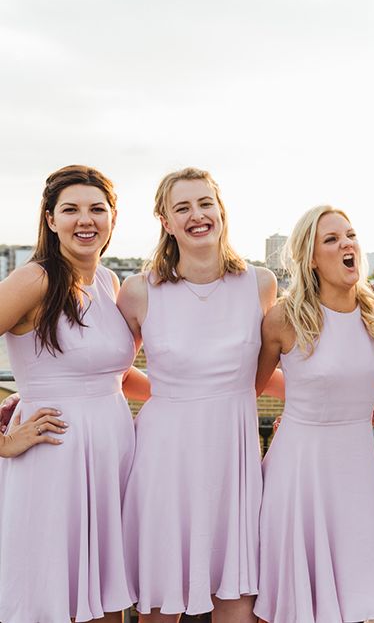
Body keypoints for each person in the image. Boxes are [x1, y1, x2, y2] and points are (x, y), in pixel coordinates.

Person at [118, 168, 277, 623]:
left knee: (237, 601)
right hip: (165, 457)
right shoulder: (138, 292)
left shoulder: (260, 285)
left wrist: (344, 403)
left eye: (205, 203)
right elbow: (110, 370)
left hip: (233, 454)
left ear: (220, 210)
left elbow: (274, 370)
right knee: (159, 601)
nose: (197, 215)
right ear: (165, 221)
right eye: (182, 208)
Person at [0, 165, 149, 623]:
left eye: (96, 209)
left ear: (112, 218)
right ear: (50, 220)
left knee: (104, 599)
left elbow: (117, 374)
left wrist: (197, 396)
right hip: (53, 454)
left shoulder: (109, 282)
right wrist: (2, 440)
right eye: (71, 210)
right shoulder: (35, 279)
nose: (85, 220)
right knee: (48, 595)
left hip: (112, 453)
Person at [253, 204, 374, 623]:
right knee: (301, 604)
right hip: (300, 470)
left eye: (350, 235)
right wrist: (305, 404)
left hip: (359, 472)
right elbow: (247, 389)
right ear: (311, 257)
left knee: (364, 599)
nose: (347, 244)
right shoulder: (284, 319)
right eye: (331, 239)